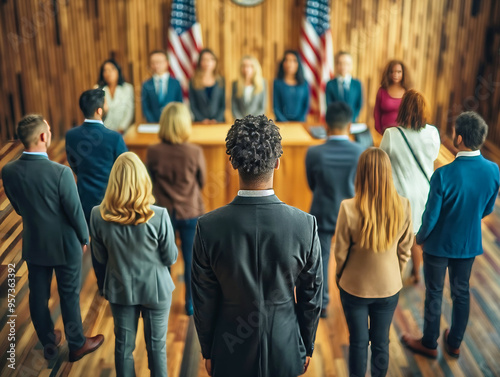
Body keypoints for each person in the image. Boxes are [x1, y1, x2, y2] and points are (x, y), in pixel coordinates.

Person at [191, 115, 322, 377]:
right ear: (277, 162)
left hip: (229, 350)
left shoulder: (208, 227)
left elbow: (203, 301)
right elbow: (311, 297)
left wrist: (208, 351)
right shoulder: (305, 225)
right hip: (285, 347)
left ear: (233, 162)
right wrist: (306, 345)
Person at [2, 115, 104, 362]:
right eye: (47, 130)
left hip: (35, 244)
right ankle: (77, 344)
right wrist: (84, 237)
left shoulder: (8, 171)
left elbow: (17, 207)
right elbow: (75, 211)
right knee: (69, 295)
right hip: (65, 245)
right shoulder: (62, 173)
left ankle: (48, 340)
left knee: (38, 295)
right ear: (42, 137)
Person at [401, 112, 499, 359]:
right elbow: (487, 207)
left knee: (433, 293)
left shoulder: (443, 175)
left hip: (438, 246)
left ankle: (429, 342)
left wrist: (420, 238)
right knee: (461, 292)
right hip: (468, 243)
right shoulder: (493, 170)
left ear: (459, 138)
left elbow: (430, 217)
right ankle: (454, 342)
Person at [90, 152, 178, 377]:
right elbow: (170, 258)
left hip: (120, 291)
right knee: (157, 348)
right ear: (143, 180)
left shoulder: (97, 215)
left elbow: (99, 258)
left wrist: (103, 287)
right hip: (156, 290)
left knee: (123, 348)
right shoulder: (159, 215)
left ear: (114, 182)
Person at [335, 147, 413, 377]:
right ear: (388, 174)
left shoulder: (348, 208)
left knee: (358, 343)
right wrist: (395, 274)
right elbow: (405, 249)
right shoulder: (404, 206)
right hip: (389, 287)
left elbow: (340, 254)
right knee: (381, 342)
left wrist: (341, 277)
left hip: (354, 287)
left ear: (361, 174)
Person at [146, 102, 206, 316]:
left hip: (163, 214)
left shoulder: (153, 151)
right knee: (192, 260)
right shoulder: (195, 151)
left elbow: (148, 182)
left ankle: (164, 299)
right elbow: (202, 181)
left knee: (164, 258)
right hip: (190, 211)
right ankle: (190, 303)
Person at [66, 88, 128, 292]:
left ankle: (102, 285)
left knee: (95, 243)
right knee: (117, 243)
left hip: (85, 198)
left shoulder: (71, 135)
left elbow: (73, 164)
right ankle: (118, 284)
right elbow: (124, 168)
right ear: (100, 110)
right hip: (113, 199)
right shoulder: (114, 138)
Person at [305, 102, 364, 318]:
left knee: (320, 259)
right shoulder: (360, 152)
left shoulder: (314, 152)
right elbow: (361, 185)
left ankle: (322, 304)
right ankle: (353, 302)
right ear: (349, 125)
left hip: (322, 211)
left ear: (325, 125)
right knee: (351, 259)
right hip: (352, 215)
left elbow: (312, 183)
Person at [380, 89, 440, 283]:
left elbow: (381, 161)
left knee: (396, 237)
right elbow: (433, 156)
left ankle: (393, 277)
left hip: (399, 194)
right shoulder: (432, 133)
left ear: (402, 109)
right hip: (425, 192)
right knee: (416, 236)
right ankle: (416, 273)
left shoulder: (391, 134)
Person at [141, 50, 183, 123]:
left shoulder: (176, 83)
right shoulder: (146, 85)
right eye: (153, 63)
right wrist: (153, 122)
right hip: (153, 124)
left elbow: (179, 104)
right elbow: (145, 108)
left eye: (159, 62)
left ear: (167, 62)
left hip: (172, 122)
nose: (156, 65)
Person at [374, 60, 412, 134]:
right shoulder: (382, 90)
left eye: (399, 72)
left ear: (403, 73)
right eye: (392, 72)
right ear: (388, 73)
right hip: (384, 132)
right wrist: (379, 131)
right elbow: (376, 112)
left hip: (403, 133)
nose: (395, 74)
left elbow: (411, 114)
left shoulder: (408, 92)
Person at [97, 59, 135, 132]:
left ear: (118, 71)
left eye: (112, 69)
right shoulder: (98, 89)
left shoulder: (127, 88)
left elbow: (129, 112)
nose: (109, 73)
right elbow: (96, 115)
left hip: (122, 131)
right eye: (105, 70)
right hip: (103, 131)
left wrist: (121, 129)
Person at [189, 48, 225, 123]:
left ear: (215, 62)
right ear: (200, 62)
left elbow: (223, 105)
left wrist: (216, 119)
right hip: (199, 123)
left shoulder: (221, 81)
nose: (207, 62)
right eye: (204, 59)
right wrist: (202, 119)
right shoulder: (193, 81)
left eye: (211, 59)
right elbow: (193, 105)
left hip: (218, 123)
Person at [325, 51, 363, 122]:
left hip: (352, 122)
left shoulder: (357, 84)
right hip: (335, 123)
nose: (343, 66)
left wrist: (352, 119)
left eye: (346, 63)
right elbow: (329, 104)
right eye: (340, 63)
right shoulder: (330, 84)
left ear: (351, 65)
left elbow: (359, 104)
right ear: (336, 65)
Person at [273, 50, 309, 122]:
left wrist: (299, 122)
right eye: (287, 60)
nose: (290, 64)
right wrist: (284, 122)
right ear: (283, 63)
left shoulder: (304, 83)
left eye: (293, 61)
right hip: (281, 123)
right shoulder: (277, 83)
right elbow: (276, 107)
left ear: (298, 63)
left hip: (300, 123)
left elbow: (306, 106)